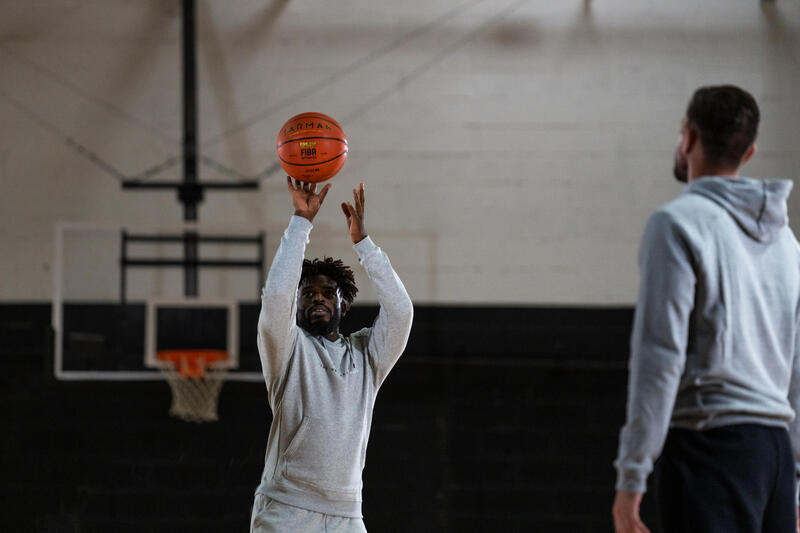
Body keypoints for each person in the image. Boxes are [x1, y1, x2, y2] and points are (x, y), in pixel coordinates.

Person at [612, 85, 800, 533]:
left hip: (709, 448)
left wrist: (632, 475)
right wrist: (794, 480)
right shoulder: (789, 245)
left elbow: (660, 356)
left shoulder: (675, 224)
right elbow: (797, 372)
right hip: (775, 456)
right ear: (749, 152)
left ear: (688, 137)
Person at [250, 178, 414, 533]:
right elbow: (277, 298)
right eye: (308, 293)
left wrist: (364, 245)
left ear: (345, 302)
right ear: (298, 304)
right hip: (286, 509)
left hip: (347, 514)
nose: (318, 298)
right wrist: (300, 222)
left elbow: (401, 312)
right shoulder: (287, 350)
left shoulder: (368, 355)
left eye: (328, 292)